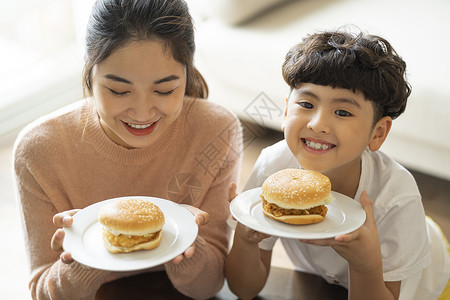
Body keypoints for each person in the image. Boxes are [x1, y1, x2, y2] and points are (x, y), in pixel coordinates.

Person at [13, 0, 242, 299]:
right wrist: (87, 250)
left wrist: (185, 244)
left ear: (187, 74)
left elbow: (208, 286)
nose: (143, 112)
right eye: (119, 91)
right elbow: (44, 293)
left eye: (165, 90)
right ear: (89, 76)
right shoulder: (40, 150)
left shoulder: (216, 130)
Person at [225, 29, 450, 300]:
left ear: (377, 133)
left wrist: (365, 263)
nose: (318, 124)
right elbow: (244, 290)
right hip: (323, 280)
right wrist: (245, 240)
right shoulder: (274, 169)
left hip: (425, 284)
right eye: (307, 103)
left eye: (342, 112)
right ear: (285, 113)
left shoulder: (396, 198)